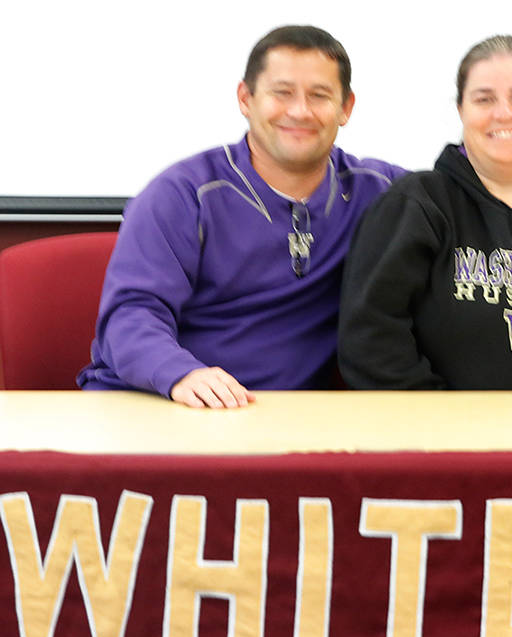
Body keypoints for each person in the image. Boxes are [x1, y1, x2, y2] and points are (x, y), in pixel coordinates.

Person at [77, 25, 406, 408]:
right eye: (281, 93)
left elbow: (467, 180)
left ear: (346, 107)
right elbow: (129, 316)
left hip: (278, 418)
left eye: (319, 96)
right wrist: (180, 373)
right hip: (157, 401)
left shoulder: (379, 190)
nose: (299, 111)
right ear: (246, 98)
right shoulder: (184, 194)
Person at [338, 35, 512, 393]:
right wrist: (452, 426)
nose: (504, 113)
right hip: (448, 439)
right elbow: (369, 339)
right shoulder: (415, 207)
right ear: (461, 109)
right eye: (484, 99)